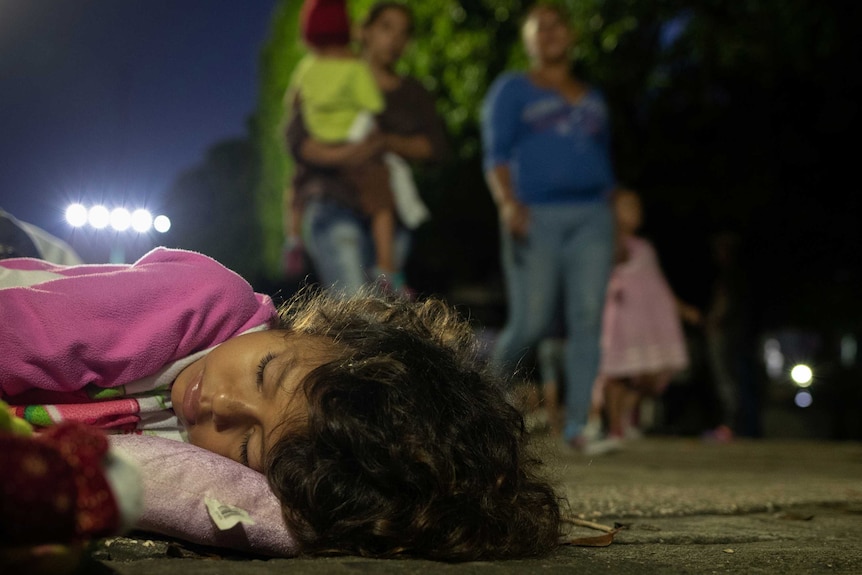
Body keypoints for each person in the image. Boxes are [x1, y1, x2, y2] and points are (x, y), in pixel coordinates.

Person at [0, 247, 562, 560]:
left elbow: (269, 516)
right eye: (266, 372)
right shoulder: (203, 304)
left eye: (247, 442)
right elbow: (24, 331)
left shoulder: (254, 470)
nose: (217, 403)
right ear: (313, 330)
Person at [481, 3, 618, 454]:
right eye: (539, 28)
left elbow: (600, 162)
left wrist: (618, 203)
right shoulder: (512, 90)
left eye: (557, 24)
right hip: (534, 214)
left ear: (572, 34)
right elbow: (496, 154)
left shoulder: (594, 96)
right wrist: (507, 202)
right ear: (528, 42)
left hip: (593, 217)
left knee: (587, 318)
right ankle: (482, 413)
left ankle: (580, 426)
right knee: (532, 320)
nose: (549, 33)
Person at [286, 1, 448, 297]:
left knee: (385, 314)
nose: (394, 39)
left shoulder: (412, 92)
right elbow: (297, 140)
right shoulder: (328, 71)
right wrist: (349, 155)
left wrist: (385, 141)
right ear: (364, 31)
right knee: (357, 311)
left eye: (403, 32)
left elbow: (435, 148)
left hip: (389, 214)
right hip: (334, 200)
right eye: (386, 27)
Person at [289, 0, 402, 288]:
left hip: (321, 161)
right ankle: (388, 269)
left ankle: (292, 239)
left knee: (295, 190)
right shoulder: (355, 67)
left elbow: (295, 105)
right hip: (357, 146)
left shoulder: (306, 68)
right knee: (383, 202)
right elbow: (374, 107)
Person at [596, 188, 702, 441]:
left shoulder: (645, 246)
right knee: (617, 374)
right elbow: (612, 261)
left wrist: (683, 309)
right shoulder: (609, 242)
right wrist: (612, 227)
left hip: (648, 323)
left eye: (637, 205)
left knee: (651, 377)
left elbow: (658, 285)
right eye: (628, 206)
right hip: (620, 320)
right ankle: (615, 427)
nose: (636, 211)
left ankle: (626, 415)